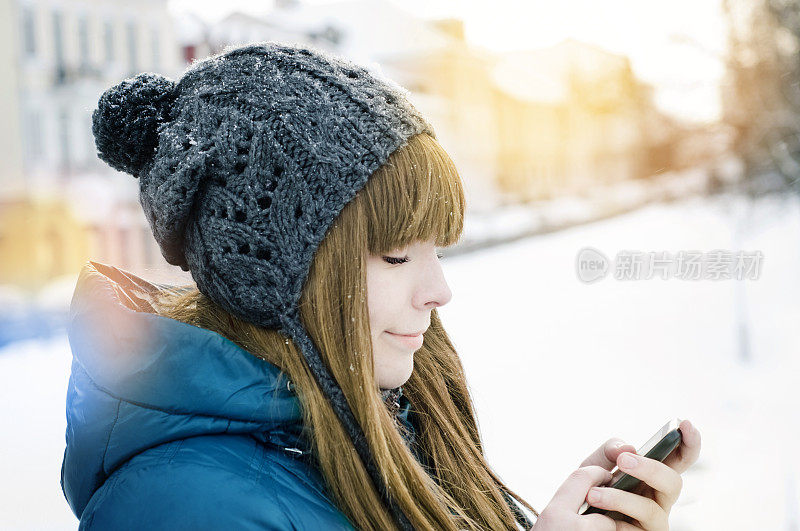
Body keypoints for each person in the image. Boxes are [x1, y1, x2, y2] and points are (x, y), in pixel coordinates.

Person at [61, 41, 701, 530]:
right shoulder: (179, 507)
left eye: (437, 249)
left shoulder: (376, 419)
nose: (439, 291)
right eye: (396, 255)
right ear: (279, 281)